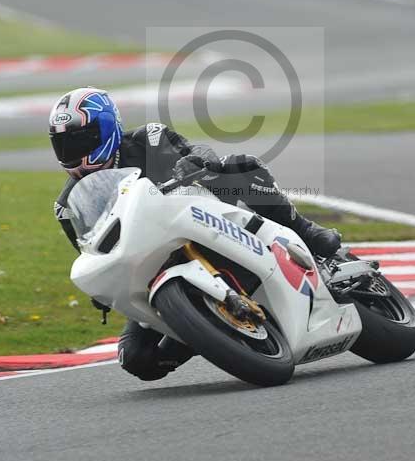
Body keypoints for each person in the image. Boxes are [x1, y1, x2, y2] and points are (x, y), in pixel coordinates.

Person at [50, 87, 341, 382]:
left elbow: (199, 153)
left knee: (240, 167)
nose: (74, 151)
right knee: (136, 358)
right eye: (64, 145)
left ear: (108, 128)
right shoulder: (68, 207)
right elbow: (93, 252)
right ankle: (205, 331)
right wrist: (103, 288)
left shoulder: (149, 138)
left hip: (203, 218)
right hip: (151, 267)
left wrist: (196, 162)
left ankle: (306, 232)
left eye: (82, 140)